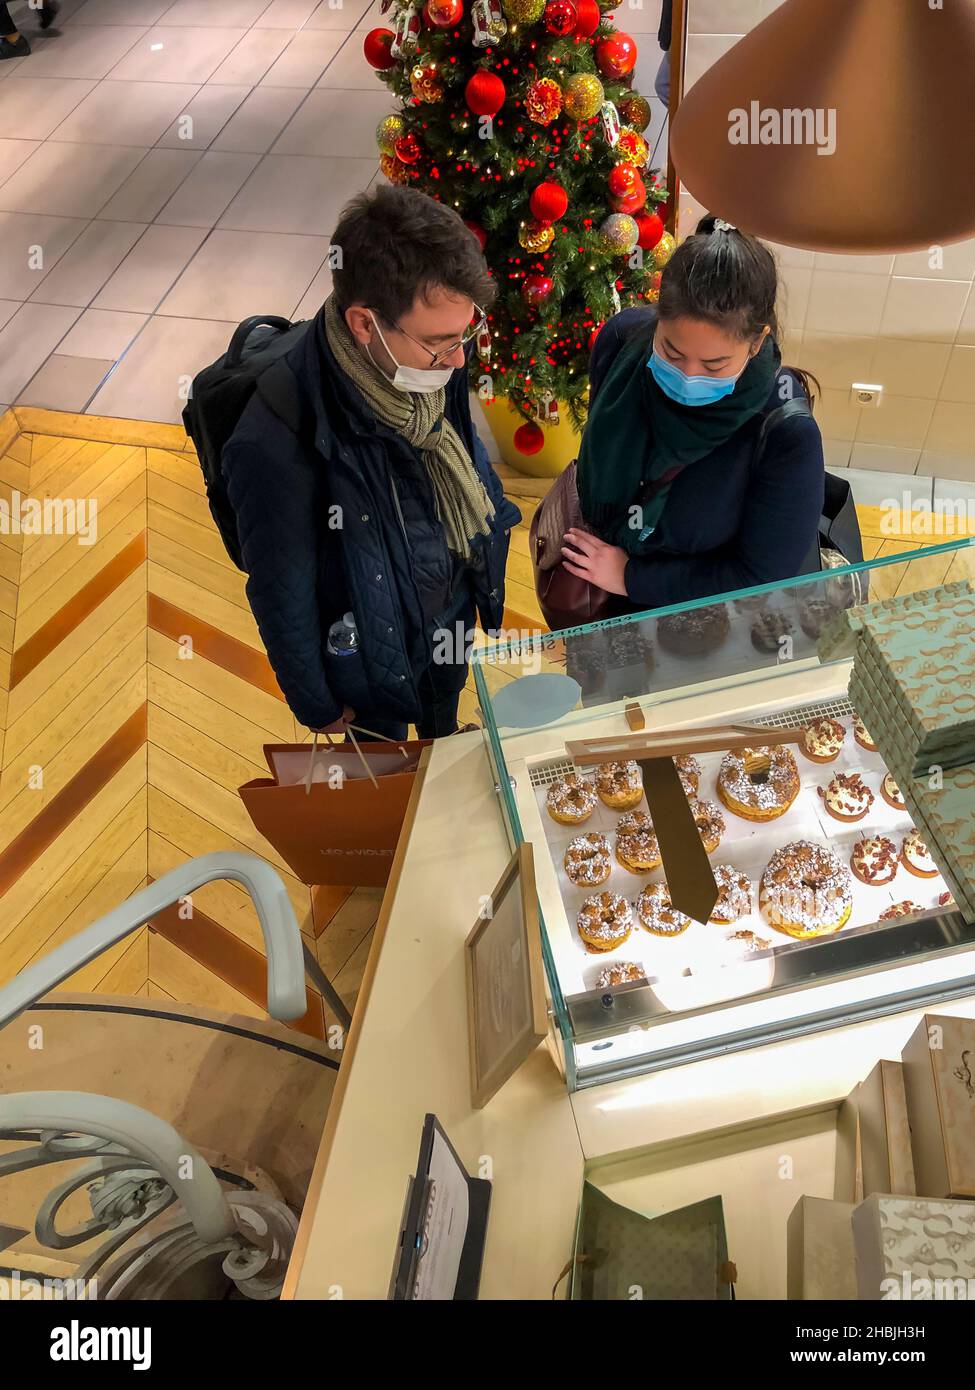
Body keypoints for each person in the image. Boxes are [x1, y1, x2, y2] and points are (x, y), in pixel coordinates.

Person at [222, 185, 520, 742]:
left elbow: (465, 458)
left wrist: (494, 523)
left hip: (447, 609)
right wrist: (314, 702)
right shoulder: (274, 436)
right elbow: (280, 584)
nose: (458, 361)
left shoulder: (434, 362)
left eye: (465, 335)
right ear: (365, 324)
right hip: (368, 658)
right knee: (382, 777)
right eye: (440, 343)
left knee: (442, 727)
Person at [561, 216, 824, 610]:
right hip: (598, 593)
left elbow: (760, 576)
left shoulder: (786, 435)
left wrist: (630, 577)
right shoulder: (621, 340)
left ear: (756, 343)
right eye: (671, 352)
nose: (687, 377)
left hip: (698, 625)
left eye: (714, 365)